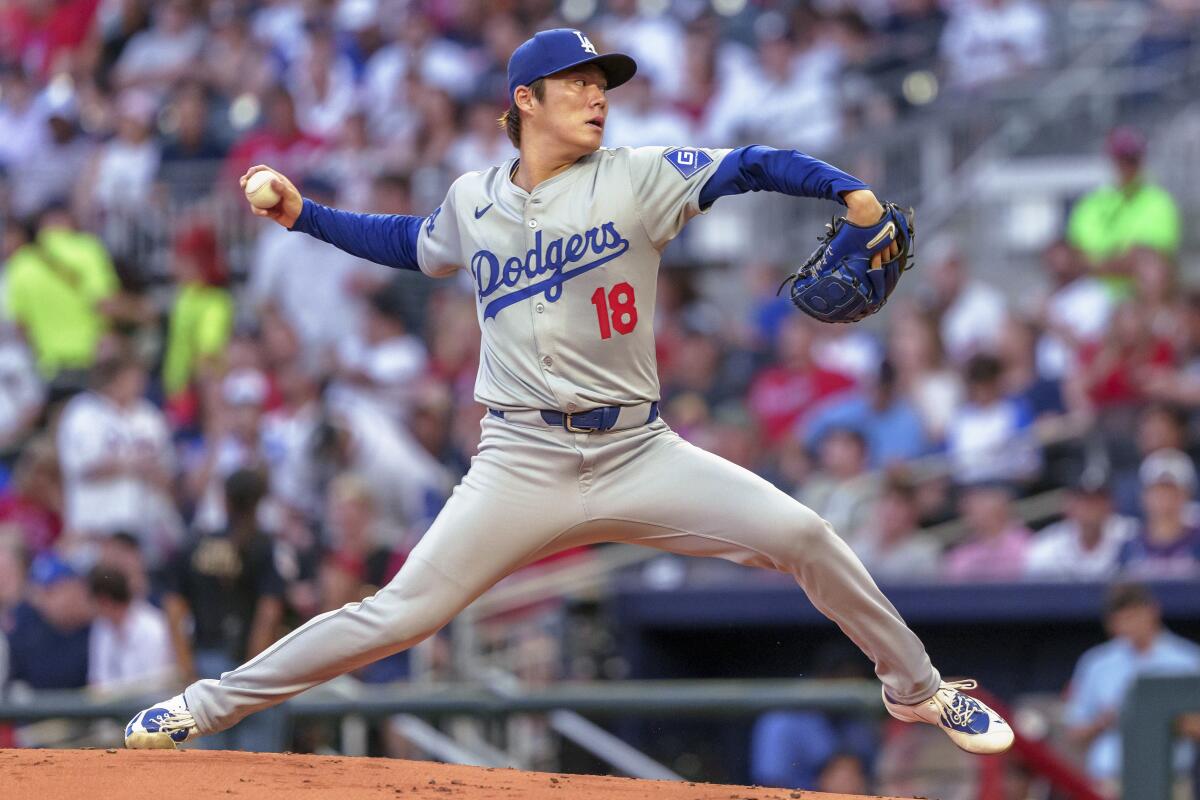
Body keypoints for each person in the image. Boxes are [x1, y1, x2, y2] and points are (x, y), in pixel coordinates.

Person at [126, 28, 1013, 756]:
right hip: (521, 457)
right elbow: (407, 241)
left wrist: (849, 190)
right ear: (525, 101)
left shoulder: (637, 175)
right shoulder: (474, 199)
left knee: (804, 534)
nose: (598, 96)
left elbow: (749, 162)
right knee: (400, 614)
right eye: (577, 83)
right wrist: (301, 214)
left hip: (638, 450)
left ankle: (919, 690)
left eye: (603, 83)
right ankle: (203, 708)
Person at [1063, 583, 1200, 791]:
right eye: (1122, 619)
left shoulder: (1188, 660)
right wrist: (1104, 722)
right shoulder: (1096, 663)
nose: (1130, 625)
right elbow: (1074, 732)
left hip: (1171, 782)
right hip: (1110, 781)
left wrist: (1161, 721)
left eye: (1135, 615)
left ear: (1153, 610)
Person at [1066, 127, 1181, 283]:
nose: (1126, 166)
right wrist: (1119, 260)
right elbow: (1076, 255)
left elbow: (1149, 258)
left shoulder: (1159, 202)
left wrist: (1099, 264)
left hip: (1140, 293)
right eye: (1121, 159)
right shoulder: (1093, 202)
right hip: (1096, 291)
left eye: (1132, 159)